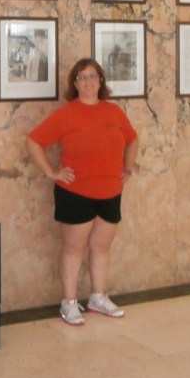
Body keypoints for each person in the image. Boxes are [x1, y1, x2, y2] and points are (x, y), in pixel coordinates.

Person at [26, 58, 139, 326]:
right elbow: (34, 140)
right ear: (75, 84)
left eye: (93, 76)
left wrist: (128, 168)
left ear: (101, 81)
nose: (88, 82)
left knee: (101, 247)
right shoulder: (66, 114)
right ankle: (69, 303)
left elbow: (132, 139)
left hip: (110, 190)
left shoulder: (113, 112)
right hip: (75, 192)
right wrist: (52, 172)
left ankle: (98, 297)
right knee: (73, 248)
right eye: (82, 77)